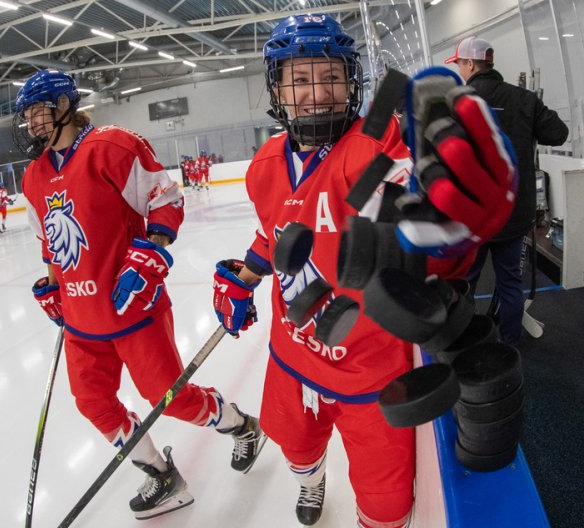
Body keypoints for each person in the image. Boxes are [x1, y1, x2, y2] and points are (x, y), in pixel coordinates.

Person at [211, 15, 516, 528]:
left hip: (370, 372)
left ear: (351, 82)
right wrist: (243, 277)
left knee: (385, 505)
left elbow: (407, 214)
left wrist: (451, 227)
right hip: (291, 355)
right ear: (276, 86)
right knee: (296, 447)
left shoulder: (371, 147)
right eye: (300, 80)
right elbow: (273, 232)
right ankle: (312, 480)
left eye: (329, 76)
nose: (317, 94)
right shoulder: (264, 163)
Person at [12, 69, 265, 520]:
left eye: (39, 111)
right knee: (93, 402)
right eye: (27, 115)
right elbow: (50, 242)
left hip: (133, 307)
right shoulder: (33, 177)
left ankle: (243, 426)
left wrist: (153, 251)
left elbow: (166, 200)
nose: (32, 123)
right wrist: (54, 285)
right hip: (80, 319)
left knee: (174, 400)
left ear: (65, 106)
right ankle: (161, 475)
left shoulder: (112, 146)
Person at [444, 36, 569, 345]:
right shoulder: (524, 99)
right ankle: (510, 345)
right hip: (515, 213)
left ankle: (466, 342)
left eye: (460, 64)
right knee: (511, 282)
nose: (460, 70)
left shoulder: (455, 101)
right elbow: (558, 133)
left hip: (472, 218)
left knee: (465, 284)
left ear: (471, 64)